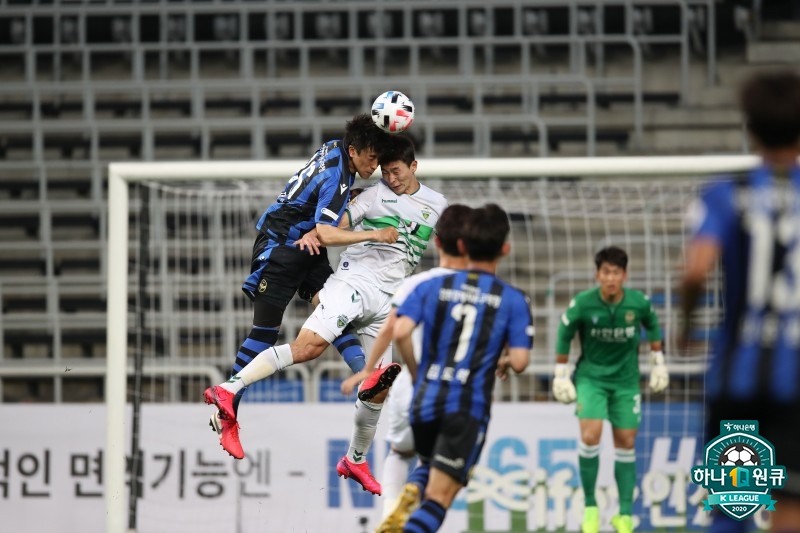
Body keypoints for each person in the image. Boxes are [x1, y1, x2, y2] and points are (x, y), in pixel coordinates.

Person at [205, 135, 449, 495]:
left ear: (414, 167)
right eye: (385, 172)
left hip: (388, 300)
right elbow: (333, 226)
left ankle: (355, 458)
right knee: (308, 348)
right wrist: (312, 233)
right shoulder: (370, 196)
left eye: (396, 172)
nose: (390, 179)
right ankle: (229, 388)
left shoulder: (436, 204)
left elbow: (451, 242)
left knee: (379, 385)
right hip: (354, 284)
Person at [206, 114, 396, 460]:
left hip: (305, 247)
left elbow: (322, 212)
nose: (376, 165)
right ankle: (227, 402)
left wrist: (321, 223)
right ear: (354, 151)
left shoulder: (335, 150)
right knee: (265, 332)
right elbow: (327, 230)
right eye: (372, 157)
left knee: (335, 310)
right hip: (280, 247)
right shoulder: (338, 176)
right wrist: (373, 233)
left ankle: (367, 376)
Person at [680, 70, 800, 533]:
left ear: (749, 129)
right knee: (791, 509)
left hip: (738, 378)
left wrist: (687, 324)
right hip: (795, 380)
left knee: (732, 508)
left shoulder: (727, 191)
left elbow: (694, 269)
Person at [387, 204, 533, 533]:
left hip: (424, 400)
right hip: (465, 408)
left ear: (463, 246)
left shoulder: (432, 286)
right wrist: (506, 359)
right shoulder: (511, 299)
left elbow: (400, 331)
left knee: (429, 463)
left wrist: (417, 371)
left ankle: (416, 485)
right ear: (505, 249)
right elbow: (521, 362)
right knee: (440, 498)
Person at [340, 204, 473, 520]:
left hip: (413, 386)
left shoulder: (417, 283)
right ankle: (416, 500)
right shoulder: (483, 289)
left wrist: (368, 371)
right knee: (435, 468)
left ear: (437, 242)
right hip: (457, 391)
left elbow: (392, 328)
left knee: (399, 452)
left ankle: (389, 514)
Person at [551, 246, 668, 533]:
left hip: (626, 382)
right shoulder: (583, 303)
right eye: (606, 272)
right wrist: (560, 374)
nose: (611, 278)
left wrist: (658, 362)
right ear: (597, 275)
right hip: (591, 379)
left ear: (624, 275)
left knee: (626, 442)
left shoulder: (639, 303)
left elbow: (653, 325)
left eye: (616, 272)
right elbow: (564, 333)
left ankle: (624, 516)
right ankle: (591, 508)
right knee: (590, 436)